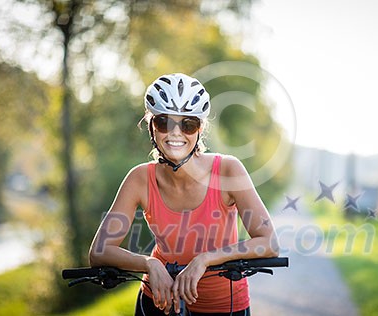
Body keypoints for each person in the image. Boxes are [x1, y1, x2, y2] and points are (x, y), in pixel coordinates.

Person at [89, 73, 279, 316]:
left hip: (224, 305)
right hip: (159, 301)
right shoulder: (139, 179)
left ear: (200, 129)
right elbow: (99, 252)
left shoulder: (229, 170)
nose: (175, 133)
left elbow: (269, 243)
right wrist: (150, 263)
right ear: (151, 126)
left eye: (188, 124)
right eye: (164, 122)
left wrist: (205, 259)